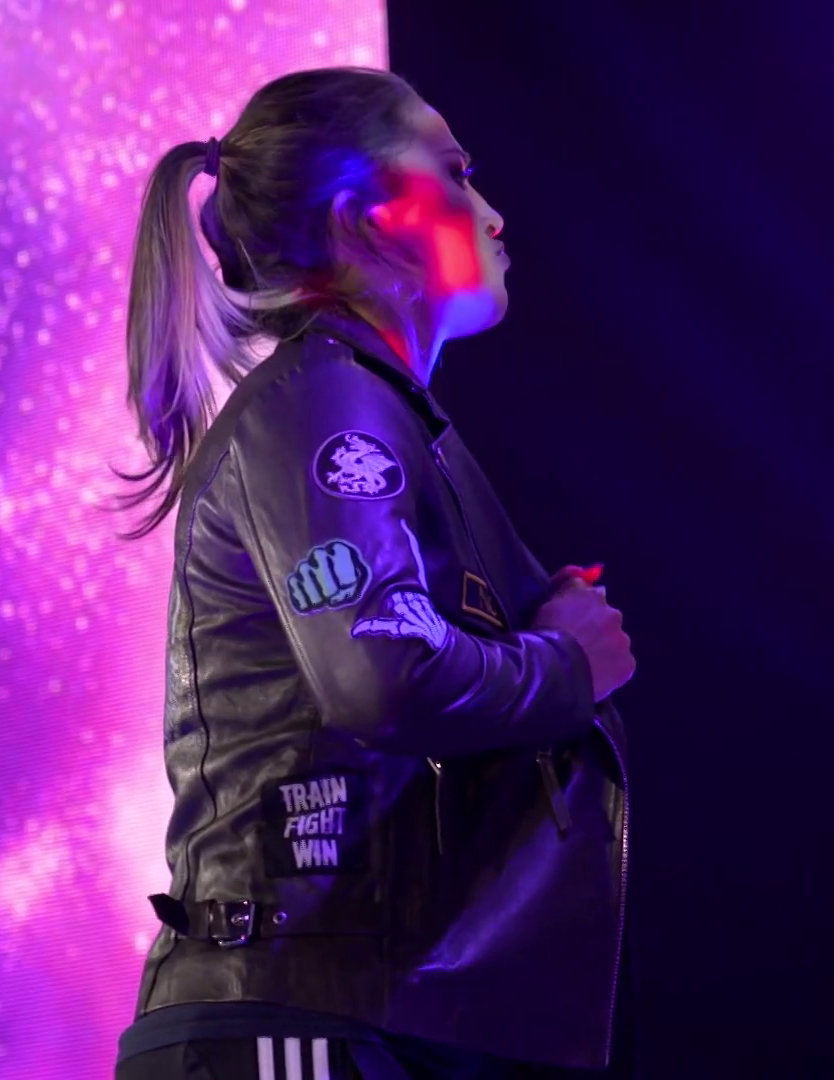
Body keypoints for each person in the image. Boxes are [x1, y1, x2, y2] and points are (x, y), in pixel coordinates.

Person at [112, 67, 635, 1080]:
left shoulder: (370, 407)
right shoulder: (327, 404)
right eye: (456, 174)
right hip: (288, 1023)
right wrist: (564, 663)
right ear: (366, 221)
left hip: (339, 1018)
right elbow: (381, 673)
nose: (491, 213)